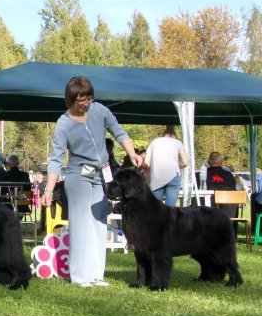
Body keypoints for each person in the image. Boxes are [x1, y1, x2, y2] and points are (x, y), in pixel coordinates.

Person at [40, 76, 141, 288]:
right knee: (80, 224)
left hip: (102, 175)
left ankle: (96, 274)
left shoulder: (100, 110)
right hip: (78, 176)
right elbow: (56, 159)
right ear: (71, 99)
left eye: (89, 98)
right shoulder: (63, 123)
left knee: (98, 222)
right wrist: (48, 190)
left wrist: (132, 154)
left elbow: (119, 132)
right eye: (81, 100)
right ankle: (80, 276)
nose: (86, 103)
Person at [145, 125, 188, 207]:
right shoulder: (178, 143)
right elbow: (185, 162)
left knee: (156, 209)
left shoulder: (154, 142)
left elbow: (146, 162)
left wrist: (154, 166)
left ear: (163, 134)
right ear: (174, 136)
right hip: (173, 176)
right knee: (170, 209)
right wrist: (177, 166)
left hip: (156, 177)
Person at [206, 151, 238, 224]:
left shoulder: (202, 175)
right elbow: (233, 189)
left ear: (209, 162)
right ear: (221, 162)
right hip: (228, 215)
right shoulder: (228, 175)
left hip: (206, 212)